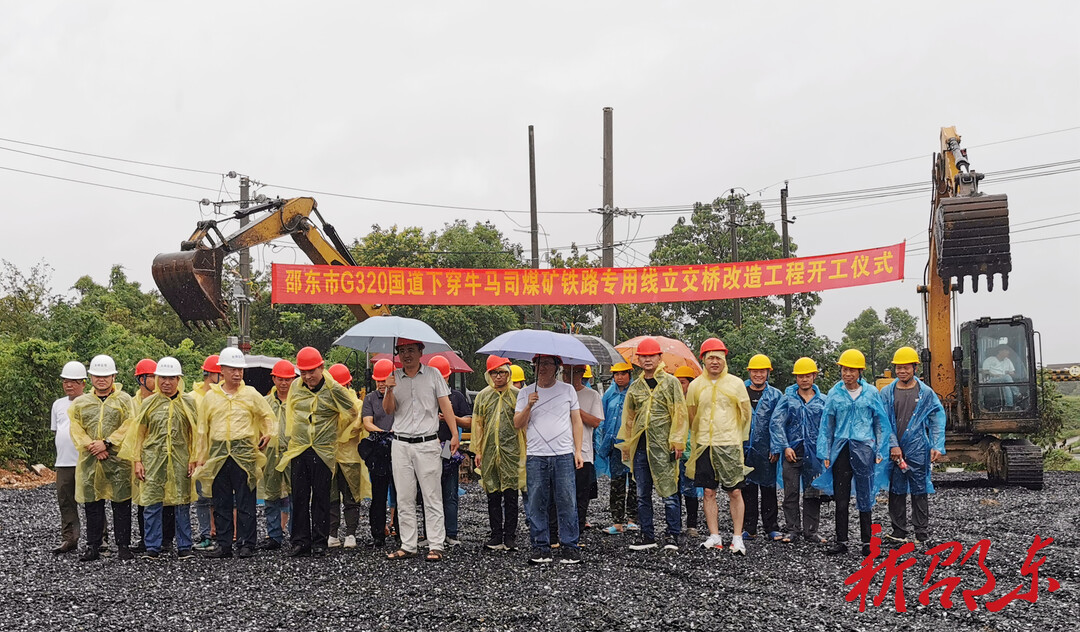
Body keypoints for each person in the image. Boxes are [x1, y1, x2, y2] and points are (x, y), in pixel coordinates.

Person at [275, 349, 359, 557]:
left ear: (321, 368)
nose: (307, 376)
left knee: (321, 496)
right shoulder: (296, 386)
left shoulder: (334, 389)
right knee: (300, 496)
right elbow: (291, 410)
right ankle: (300, 541)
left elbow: (352, 412)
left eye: (311, 371)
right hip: (300, 448)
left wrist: (335, 430)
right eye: (303, 372)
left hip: (323, 450)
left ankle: (320, 541)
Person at [194, 347, 276, 559]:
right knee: (221, 501)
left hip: (245, 453)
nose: (237, 374)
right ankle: (224, 544)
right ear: (222, 370)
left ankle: (247, 543)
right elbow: (202, 430)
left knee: (246, 501)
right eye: (232, 369)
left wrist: (268, 433)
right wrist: (199, 458)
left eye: (240, 370)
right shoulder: (211, 397)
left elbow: (267, 416)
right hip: (219, 454)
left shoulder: (251, 394)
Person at [382, 338, 459, 562]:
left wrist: (454, 434)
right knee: (404, 496)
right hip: (401, 443)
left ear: (420, 351)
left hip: (428, 442)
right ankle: (408, 544)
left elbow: (446, 404)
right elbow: (389, 411)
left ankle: (436, 544)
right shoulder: (394, 377)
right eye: (402, 351)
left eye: (411, 350)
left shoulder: (434, 375)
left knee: (431, 495)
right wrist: (388, 390)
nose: (407, 355)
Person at [815, 349, 891, 557]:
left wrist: (879, 448)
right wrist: (826, 452)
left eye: (852, 370)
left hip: (864, 448)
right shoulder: (834, 393)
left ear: (860, 372)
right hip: (841, 449)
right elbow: (827, 424)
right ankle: (841, 540)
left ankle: (867, 542)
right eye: (844, 369)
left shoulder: (871, 393)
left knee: (865, 494)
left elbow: (880, 421)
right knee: (841, 496)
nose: (847, 374)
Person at [120, 357, 197, 560]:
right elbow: (139, 434)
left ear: (179, 379)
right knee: (152, 502)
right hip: (152, 460)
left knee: (182, 502)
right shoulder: (149, 403)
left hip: (181, 459)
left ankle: (184, 546)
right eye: (162, 377)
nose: (166, 382)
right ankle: (152, 547)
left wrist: (195, 458)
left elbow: (196, 434)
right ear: (156, 378)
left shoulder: (188, 402)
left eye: (171, 378)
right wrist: (137, 460)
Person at [617, 337, 689, 552]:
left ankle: (673, 534)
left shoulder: (671, 382)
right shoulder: (635, 386)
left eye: (651, 356)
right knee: (642, 493)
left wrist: (678, 440)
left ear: (660, 357)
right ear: (638, 359)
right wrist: (626, 445)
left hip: (664, 446)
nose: (647, 360)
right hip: (640, 446)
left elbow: (680, 413)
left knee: (669, 492)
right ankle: (647, 534)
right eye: (643, 356)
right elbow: (629, 417)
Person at [684, 338, 752, 554]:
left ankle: (737, 537)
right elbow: (691, 415)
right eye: (710, 358)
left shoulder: (736, 383)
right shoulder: (695, 385)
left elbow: (745, 414)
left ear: (724, 360)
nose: (714, 362)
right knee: (708, 491)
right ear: (703, 359)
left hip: (729, 443)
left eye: (718, 358)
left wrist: (734, 434)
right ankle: (714, 535)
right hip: (705, 444)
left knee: (735, 492)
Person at [515, 353, 584, 564]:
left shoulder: (568, 390)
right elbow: (517, 423)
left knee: (567, 500)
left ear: (557, 366)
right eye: (538, 364)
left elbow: (577, 421)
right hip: (536, 455)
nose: (541, 368)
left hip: (563, 454)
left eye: (546, 363)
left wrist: (578, 450)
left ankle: (570, 546)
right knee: (536, 501)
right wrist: (529, 405)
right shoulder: (526, 392)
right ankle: (540, 546)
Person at [68, 354, 136, 562]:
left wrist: (107, 443)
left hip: (118, 461)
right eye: (97, 375)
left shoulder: (125, 400)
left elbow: (130, 425)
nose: (101, 379)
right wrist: (93, 446)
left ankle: (123, 546)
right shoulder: (81, 403)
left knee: (121, 504)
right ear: (90, 377)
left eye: (106, 375)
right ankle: (93, 546)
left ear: (114, 376)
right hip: (91, 461)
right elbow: (75, 428)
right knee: (93, 505)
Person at [878, 346, 946, 545]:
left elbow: (937, 418)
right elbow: (883, 421)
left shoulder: (925, 393)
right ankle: (898, 531)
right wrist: (892, 445)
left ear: (915, 368)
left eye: (906, 367)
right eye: (899, 368)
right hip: (895, 448)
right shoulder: (887, 393)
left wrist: (936, 445)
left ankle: (921, 531)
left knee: (919, 487)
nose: (902, 371)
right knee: (896, 489)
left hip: (918, 447)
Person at [770, 357, 827, 544]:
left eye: (808, 375)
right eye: (801, 376)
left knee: (813, 493)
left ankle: (811, 531)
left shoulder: (823, 401)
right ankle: (792, 529)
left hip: (814, 455)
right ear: (796, 378)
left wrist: (825, 452)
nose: (804, 379)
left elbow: (827, 428)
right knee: (790, 492)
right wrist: (785, 446)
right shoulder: (788, 400)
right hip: (792, 453)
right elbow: (777, 423)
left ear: (814, 376)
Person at [472, 355, 525, 551]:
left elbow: (524, 426)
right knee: (492, 493)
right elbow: (478, 425)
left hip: (511, 451)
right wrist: (477, 450)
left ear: (509, 374)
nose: (498, 376)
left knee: (511, 494)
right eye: (494, 372)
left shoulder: (517, 395)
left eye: (502, 372)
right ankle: (496, 535)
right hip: (488, 452)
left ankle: (510, 536)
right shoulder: (483, 396)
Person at [428, 354, 472, 547]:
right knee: (429, 491)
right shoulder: (424, 396)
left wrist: (449, 417)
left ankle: (450, 532)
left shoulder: (456, 397)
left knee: (448, 489)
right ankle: (432, 533)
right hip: (427, 446)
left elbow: (470, 421)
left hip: (447, 446)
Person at [131, 358, 173, 554]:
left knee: (166, 498)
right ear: (141, 379)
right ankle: (146, 539)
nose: (156, 380)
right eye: (152, 376)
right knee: (143, 499)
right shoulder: (133, 402)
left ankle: (166, 539)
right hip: (141, 456)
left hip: (164, 455)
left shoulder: (164, 400)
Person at [326, 362, 370, 550]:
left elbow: (358, 429)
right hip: (330, 457)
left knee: (351, 497)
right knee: (331, 497)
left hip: (350, 457)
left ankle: (351, 533)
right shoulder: (326, 404)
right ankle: (332, 533)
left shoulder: (358, 404)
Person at [742, 354, 783, 542]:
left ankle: (771, 527)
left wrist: (776, 446)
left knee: (768, 488)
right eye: (755, 371)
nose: (758, 375)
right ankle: (749, 528)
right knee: (747, 488)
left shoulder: (776, 396)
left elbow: (780, 423)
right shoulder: (739, 391)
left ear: (768, 373)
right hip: (743, 448)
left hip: (767, 449)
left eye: (762, 371)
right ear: (749, 372)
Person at [596, 362, 638, 535]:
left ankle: (633, 519)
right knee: (617, 483)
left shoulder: (635, 392)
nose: (619, 377)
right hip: (615, 445)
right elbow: (603, 417)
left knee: (635, 482)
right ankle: (617, 521)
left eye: (623, 374)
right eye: (616, 374)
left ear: (629, 374)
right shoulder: (609, 394)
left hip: (633, 443)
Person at [259, 359, 296, 551]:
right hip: (271, 454)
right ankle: (274, 535)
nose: (283, 383)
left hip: (293, 452)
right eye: (280, 379)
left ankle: (295, 533)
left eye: (288, 379)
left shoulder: (298, 402)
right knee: (271, 495)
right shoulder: (265, 403)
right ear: (273, 378)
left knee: (295, 493)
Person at [361, 359, 397, 549]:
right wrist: (382, 433)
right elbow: (367, 422)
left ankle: (400, 530)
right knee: (378, 493)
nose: (381, 384)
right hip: (379, 448)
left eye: (385, 380)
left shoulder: (400, 395)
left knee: (401, 493)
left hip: (399, 446)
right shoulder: (370, 399)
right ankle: (377, 533)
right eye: (378, 380)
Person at [51, 361, 86, 554]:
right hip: (63, 462)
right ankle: (69, 539)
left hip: (84, 461)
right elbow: (57, 431)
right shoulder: (58, 404)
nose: (69, 385)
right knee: (65, 502)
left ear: (83, 383)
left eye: (73, 381)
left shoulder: (89, 402)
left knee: (92, 501)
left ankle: (99, 539)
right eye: (66, 381)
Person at [190, 354, 220, 551]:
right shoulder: (193, 398)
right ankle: (205, 534)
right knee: (202, 497)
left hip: (220, 452)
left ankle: (223, 534)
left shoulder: (223, 395)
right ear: (211, 375)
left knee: (222, 496)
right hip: (200, 453)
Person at [568, 365, 602, 536]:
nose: (569, 376)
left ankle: (578, 527)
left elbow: (596, 421)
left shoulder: (592, 395)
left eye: (574, 372)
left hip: (584, 452)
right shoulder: (558, 392)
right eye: (566, 372)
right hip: (561, 451)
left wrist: (575, 410)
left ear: (582, 374)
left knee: (581, 493)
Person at [673, 365, 701, 538]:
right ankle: (674, 524)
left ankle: (692, 524)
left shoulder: (695, 403)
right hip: (674, 452)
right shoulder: (672, 402)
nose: (679, 386)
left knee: (690, 490)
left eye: (682, 382)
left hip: (690, 452)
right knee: (673, 489)